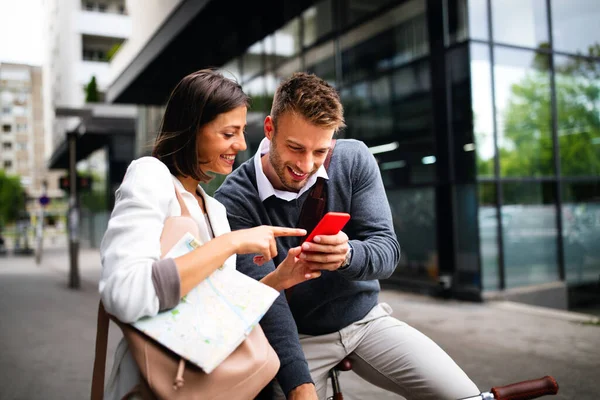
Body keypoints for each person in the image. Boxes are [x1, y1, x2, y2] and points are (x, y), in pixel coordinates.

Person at [214, 72, 480, 400]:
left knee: (466, 396)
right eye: (295, 148)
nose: (306, 164)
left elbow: (387, 250)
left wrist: (348, 255)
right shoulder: (234, 200)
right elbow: (267, 300)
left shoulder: (353, 160)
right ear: (270, 130)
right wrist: (299, 385)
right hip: (296, 338)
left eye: (320, 151)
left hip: (365, 320)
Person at [99, 69, 321, 400]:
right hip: (156, 382)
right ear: (192, 129)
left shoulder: (214, 210)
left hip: (204, 382)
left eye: (243, 131)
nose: (242, 144)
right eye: (229, 133)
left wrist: (278, 280)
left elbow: (213, 312)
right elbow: (124, 293)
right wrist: (231, 243)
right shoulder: (150, 176)